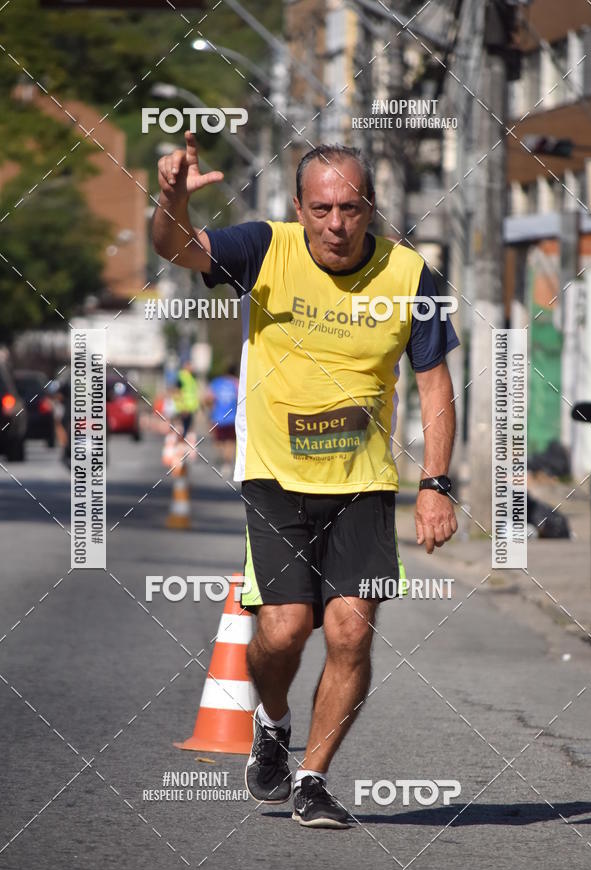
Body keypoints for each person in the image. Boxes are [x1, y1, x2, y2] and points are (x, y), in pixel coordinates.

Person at [152, 133, 459, 828]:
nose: (336, 224)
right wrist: (170, 199)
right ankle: (272, 720)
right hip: (275, 478)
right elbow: (175, 249)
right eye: (321, 208)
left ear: (370, 208)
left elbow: (436, 386)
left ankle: (313, 779)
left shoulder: (412, 275)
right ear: (299, 207)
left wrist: (437, 483)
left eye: (350, 208)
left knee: (351, 631)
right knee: (285, 631)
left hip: (363, 483)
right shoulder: (266, 248)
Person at [204, 364, 239, 478]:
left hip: (218, 417)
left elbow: (208, 398)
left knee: (219, 441)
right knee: (230, 441)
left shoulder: (216, 382)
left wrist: (209, 411)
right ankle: (227, 462)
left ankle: (225, 460)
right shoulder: (236, 383)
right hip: (232, 417)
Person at [173, 360, 199, 438]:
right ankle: (179, 443)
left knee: (187, 428)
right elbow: (177, 392)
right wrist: (183, 406)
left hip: (190, 407)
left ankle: (183, 442)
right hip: (184, 407)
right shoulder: (182, 377)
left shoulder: (191, 377)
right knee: (183, 428)